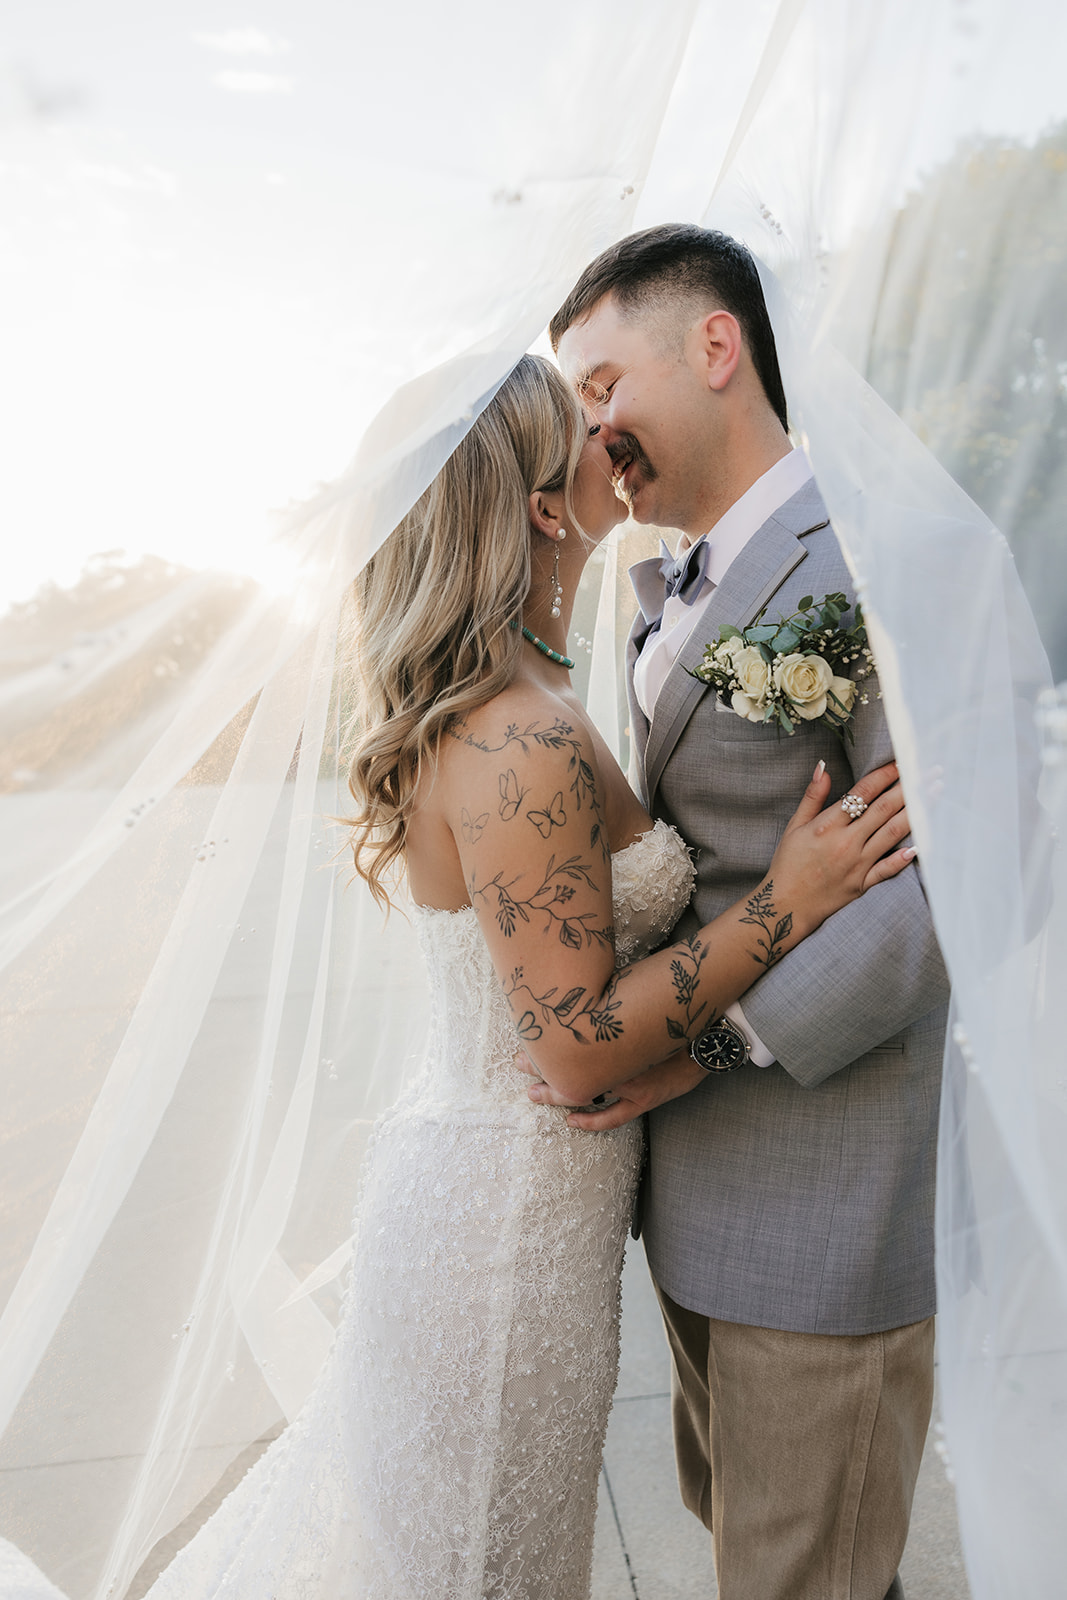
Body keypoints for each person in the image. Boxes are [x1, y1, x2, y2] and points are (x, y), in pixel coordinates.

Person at [0, 354, 913, 1600]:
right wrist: (788, 900)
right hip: (503, 1233)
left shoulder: (520, 697)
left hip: (517, 1202)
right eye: (581, 419)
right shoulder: (516, 731)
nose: (610, 429)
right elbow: (576, 1041)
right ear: (544, 504)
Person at [531, 225, 951, 1600]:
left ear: (714, 345)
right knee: (770, 1561)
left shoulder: (877, 565)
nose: (589, 432)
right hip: (693, 1207)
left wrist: (692, 1048)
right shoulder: (660, 591)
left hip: (825, 1205)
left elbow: (936, 901)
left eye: (600, 386)